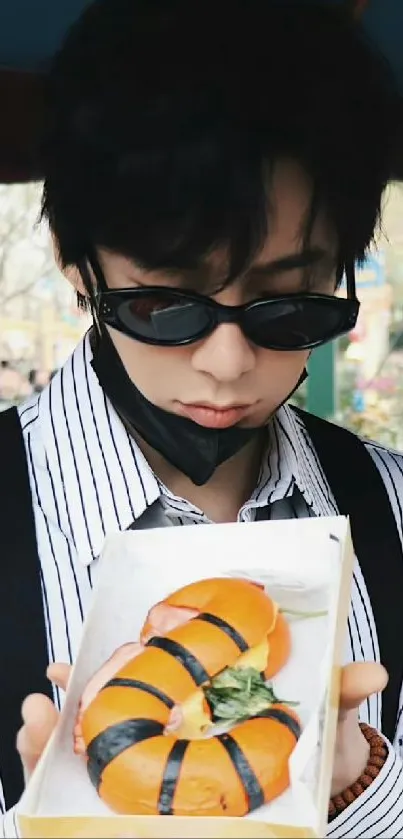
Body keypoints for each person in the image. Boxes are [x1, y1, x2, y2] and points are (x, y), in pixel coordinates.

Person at [2, 0, 403, 834]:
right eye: (162, 303)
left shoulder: (393, 503)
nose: (226, 365)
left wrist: (360, 787)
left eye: (287, 301)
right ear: (76, 267)